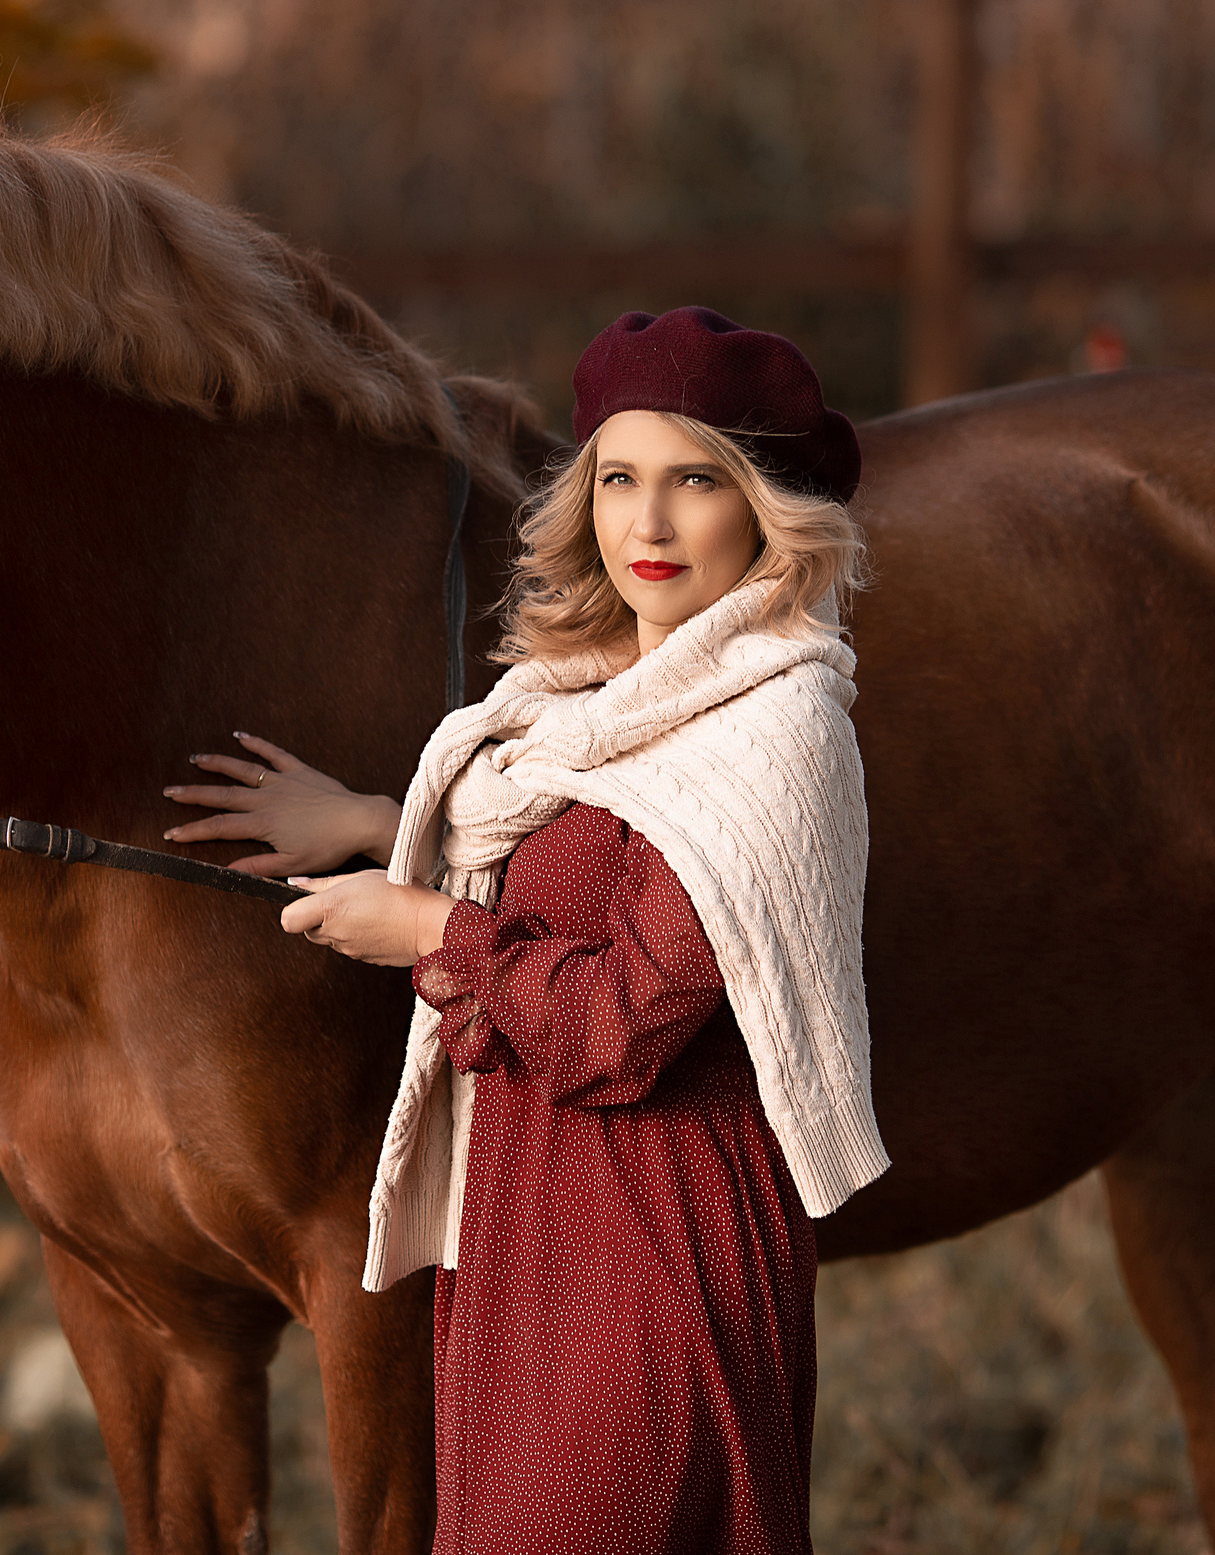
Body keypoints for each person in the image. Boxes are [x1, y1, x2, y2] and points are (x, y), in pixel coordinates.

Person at [162, 307, 884, 1553]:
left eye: (694, 481)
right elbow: (592, 856)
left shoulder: (776, 729)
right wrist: (378, 819)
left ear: (765, 508)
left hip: (657, 1238)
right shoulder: (589, 703)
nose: (645, 525)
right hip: (527, 1219)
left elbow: (624, 1022)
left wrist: (429, 929)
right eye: (618, 478)